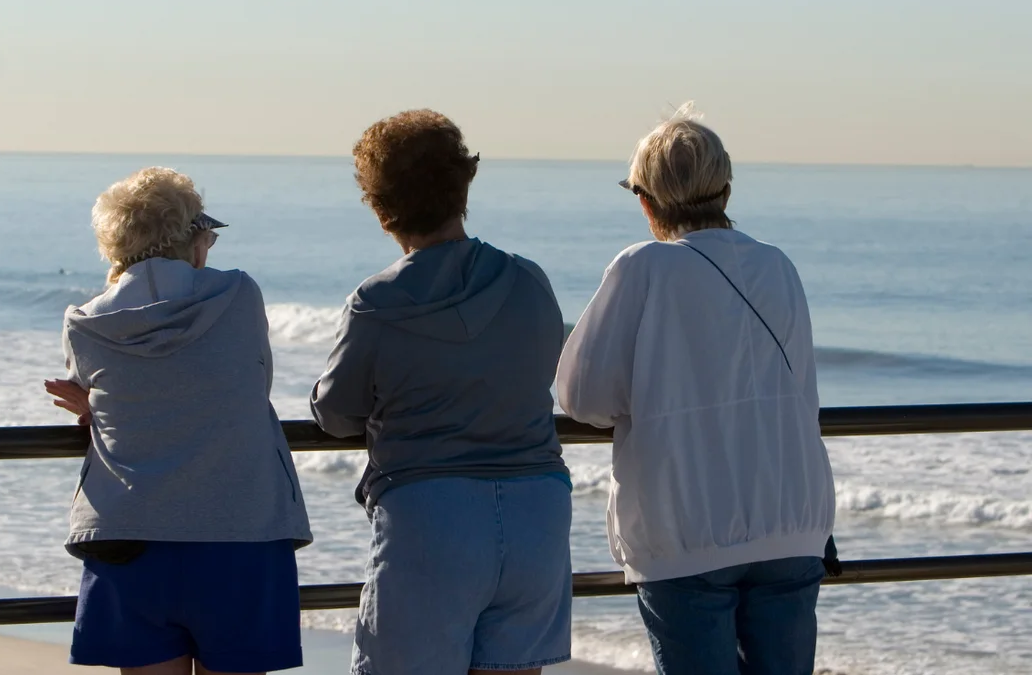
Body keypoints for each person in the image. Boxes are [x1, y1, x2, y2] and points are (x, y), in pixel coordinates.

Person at [556, 110, 836, 675]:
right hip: (791, 518)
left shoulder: (643, 267)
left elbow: (581, 398)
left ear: (647, 200)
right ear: (726, 188)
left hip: (687, 527)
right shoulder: (775, 264)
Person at [311, 110, 573, 675]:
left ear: (381, 209)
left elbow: (336, 415)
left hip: (431, 517)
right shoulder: (528, 279)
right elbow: (543, 367)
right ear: (463, 188)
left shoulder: (376, 303)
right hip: (537, 508)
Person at [45, 166, 312, 675]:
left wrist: (97, 408)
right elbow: (251, 386)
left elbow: (117, 391)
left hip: (130, 534)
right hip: (240, 532)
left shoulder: (84, 322)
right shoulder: (238, 295)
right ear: (191, 239)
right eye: (206, 235)